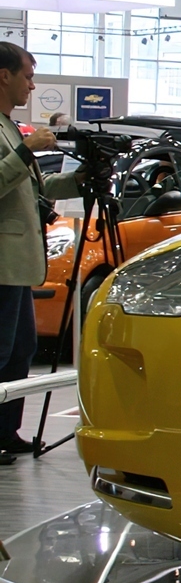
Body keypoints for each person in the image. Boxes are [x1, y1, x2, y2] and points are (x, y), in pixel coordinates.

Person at [0, 45, 82, 460]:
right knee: (2, 354)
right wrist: (25, 151)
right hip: (3, 264)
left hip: (19, 264)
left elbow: (34, 189)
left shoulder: (11, 128)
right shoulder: (13, 136)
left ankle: (6, 432)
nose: (32, 86)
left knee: (20, 353)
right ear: (4, 76)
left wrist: (81, 179)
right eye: (28, 76)